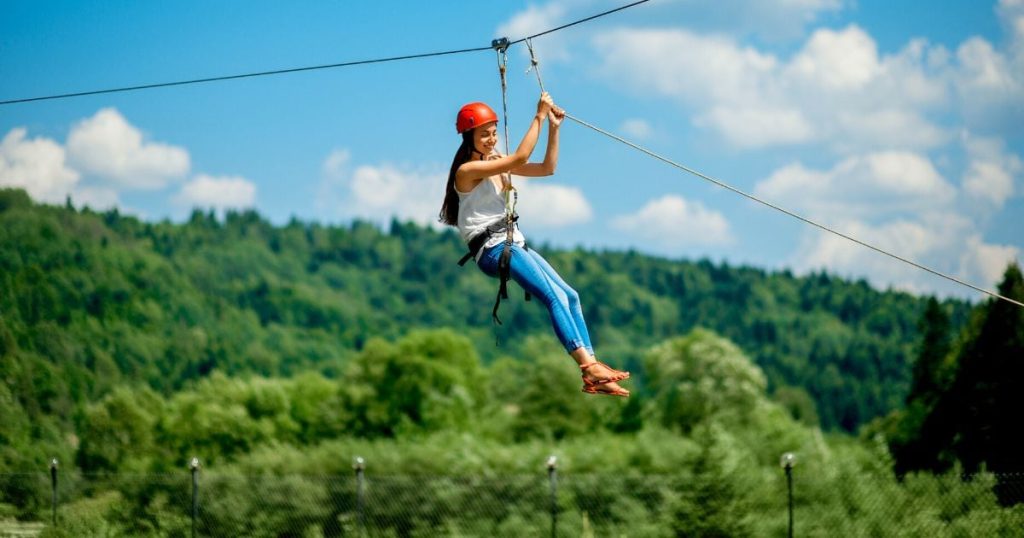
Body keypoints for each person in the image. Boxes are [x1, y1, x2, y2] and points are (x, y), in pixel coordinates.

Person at [439, 92, 630, 397]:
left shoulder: (497, 163)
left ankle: (594, 368)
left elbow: (546, 168)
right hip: (493, 249)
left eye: (493, 133)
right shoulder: (467, 172)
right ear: (468, 137)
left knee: (570, 295)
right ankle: (587, 367)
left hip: (512, 242)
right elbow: (521, 158)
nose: (490, 139)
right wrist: (538, 116)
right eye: (483, 135)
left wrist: (553, 128)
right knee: (552, 296)